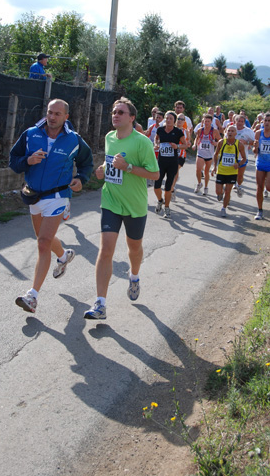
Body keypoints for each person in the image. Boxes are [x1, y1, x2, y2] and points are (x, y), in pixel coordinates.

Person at [10, 99, 93, 313]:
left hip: (58, 196)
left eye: (57, 114)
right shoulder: (30, 134)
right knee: (42, 239)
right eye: (49, 112)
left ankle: (32, 296)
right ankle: (64, 256)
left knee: (43, 243)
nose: (52, 117)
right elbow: (13, 160)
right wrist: (27, 161)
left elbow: (87, 162)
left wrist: (81, 179)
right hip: (34, 194)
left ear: (66, 117)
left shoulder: (73, 140)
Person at [84, 98, 159, 320]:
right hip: (111, 201)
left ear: (132, 118)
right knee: (106, 250)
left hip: (135, 205)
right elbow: (110, 163)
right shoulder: (109, 137)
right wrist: (103, 170)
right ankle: (100, 304)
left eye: (121, 112)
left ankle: (134, 276)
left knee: (134, 249)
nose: (115, 115)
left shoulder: (142, 142)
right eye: (114, 112)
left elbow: (154, 175)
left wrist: (127, 167)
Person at [154, 111, 186, 219]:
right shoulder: (160, 130)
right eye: (167, 118)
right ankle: (160, 200)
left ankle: (167, 207)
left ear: (174, 121)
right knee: (156, 186)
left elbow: (185, 145)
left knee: (168, 188)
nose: (168, 120)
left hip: (173, 163)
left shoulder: (178, 132)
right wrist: (156, 144)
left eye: (170, 119)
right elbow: (156, 139)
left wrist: (177, 146)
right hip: (161, 162)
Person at [212, 125, 246, 217]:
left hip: (232, 172)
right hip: (221, 171)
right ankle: (220, 193)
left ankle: (224, 208)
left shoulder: (239, 144)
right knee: (218, 192)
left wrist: (238, 164)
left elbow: (244, 158)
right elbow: (215, 155)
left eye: (232, 131)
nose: (230, 132)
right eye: (228, 131)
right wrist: (214, 167)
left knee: (228, 191)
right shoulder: (221, 142)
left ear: (235, 133)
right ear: (226, 132)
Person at [192, 114, 219, 195]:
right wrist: (194, 145)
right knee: (198, 169)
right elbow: (196, 139)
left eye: (208, 121)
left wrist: (215, 143)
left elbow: (221, 141)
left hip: (209, 155)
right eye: (205, 121)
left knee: (206, 172)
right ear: (203, 121)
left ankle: (206, 187)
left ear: (211, 122)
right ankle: (199, 183)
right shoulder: (200, 130)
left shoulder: (214, 131)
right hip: (200, 152)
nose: (206, 123)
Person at [233, 113, 255, 197]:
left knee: (240, 175)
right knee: (231, 174)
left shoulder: (248, 131)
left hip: (242, 157)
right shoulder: (231, 129)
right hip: (231, 156)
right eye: (238, 121)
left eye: (242, 121)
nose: (240, 123)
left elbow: (255, 142)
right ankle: (233, 184)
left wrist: (246, 142)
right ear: (235, 121)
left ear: (244, 122)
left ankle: (239, 184)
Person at [171, 113, 190, 201]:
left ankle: (171, 189)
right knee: (173, 172)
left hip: (181, 155)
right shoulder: (170, 129)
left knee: (175, 169)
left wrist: (188, 144)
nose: (179, 121)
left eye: (182, 119)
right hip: (171, 154)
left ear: (184, 122)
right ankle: (172, 188)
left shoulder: (186, 132)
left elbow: (188, 143)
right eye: (178, 118)